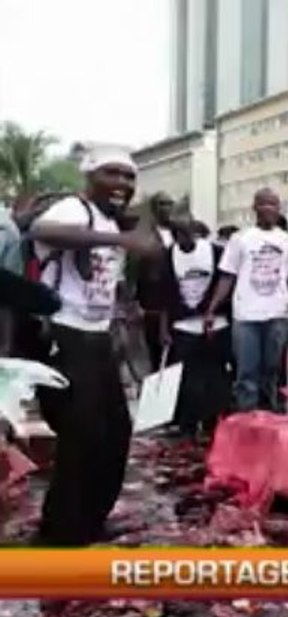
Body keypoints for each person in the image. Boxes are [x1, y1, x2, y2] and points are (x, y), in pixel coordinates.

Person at [26, 149, 161, 545]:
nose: (122, 183)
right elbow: (42, 231)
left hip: (98, 337)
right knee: (80, 435)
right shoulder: (75, 209)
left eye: (129, 176)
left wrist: (123, 319)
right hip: (64, 334)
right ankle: (60, 532)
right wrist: (120, 238)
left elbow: (107, 282)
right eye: (111, 173)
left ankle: (92, 519)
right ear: (89, 176)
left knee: (115, 433)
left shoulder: (110, 221)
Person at [205, 189, 288, 413]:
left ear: (279, 209)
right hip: (246, 317)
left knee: (271, 371)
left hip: (278, 315)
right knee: (246, 372)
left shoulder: (287, 241)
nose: (269, 208)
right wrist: (211, 309)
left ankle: (269, 416)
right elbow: (227, 277)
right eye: (264, 203)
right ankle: (248, 416)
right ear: (254, 207)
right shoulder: (240, 239)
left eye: (273, 204)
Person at [157, 220, 231, 437]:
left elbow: (226, 283)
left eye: (188, 234)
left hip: (215, 323)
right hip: (184, 326)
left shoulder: (215, 252)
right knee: (187, 379)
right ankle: (188, 425)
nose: (185, 239)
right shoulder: (167, 257)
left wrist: (215, 310)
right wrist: (164, 328)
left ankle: (212, 423)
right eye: (179, 235)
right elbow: (164, 295)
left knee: (215, 376)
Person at [138, 192, 177, 371]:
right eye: (162, 204)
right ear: (154, 208)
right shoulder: (144, 233)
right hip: (152, 302)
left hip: (175, 301)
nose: (166, 208)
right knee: (155, 353)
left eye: (169, 204)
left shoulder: (178, 231)